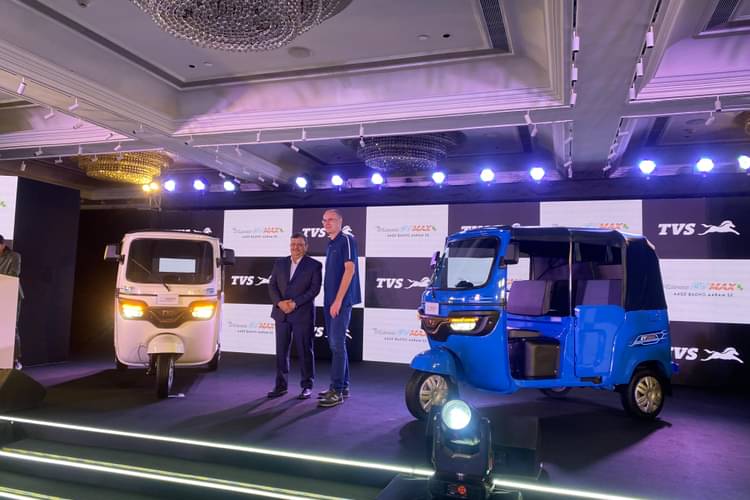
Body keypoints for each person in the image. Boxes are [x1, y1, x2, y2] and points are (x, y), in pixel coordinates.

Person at [267, 233, 322, 399]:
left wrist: (295, 304)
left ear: (306, 247)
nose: (295, 247)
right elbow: (272, 285)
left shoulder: (314, 265)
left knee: (305, 351)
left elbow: (314, 290)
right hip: (281, 314)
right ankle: (280, 386)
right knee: (281, 351)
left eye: (299, 244)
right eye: (293, 244)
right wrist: (280, 303)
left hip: (302, 314)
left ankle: (307, 386)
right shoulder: (280, 263)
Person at [318, 209, 361, 408]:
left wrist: (338, 300)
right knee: (336, 344)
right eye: (324, 220)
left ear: (340, 221)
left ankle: (336, 391)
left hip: (340, 302)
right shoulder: (331, 243)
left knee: (336, 344)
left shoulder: (346, 239)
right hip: (330, 301)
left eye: (331, 220)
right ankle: (342, 387)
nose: (327, 223)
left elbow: (350, 270)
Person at [0, 235, 22, 370]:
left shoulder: (14, 256)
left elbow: (14, 274)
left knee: (11, 328)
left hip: (10, 294)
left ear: (2, 245)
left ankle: (15, 360)